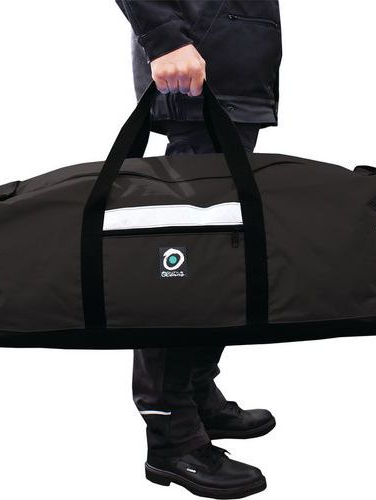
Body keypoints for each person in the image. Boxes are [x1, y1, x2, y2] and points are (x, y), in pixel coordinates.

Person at [115, 2, 282, 498]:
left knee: (218, 256)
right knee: (184, 263)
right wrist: (164, 38)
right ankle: (172, 434)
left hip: (234, 69)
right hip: (195, 62)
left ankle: (195, 391)